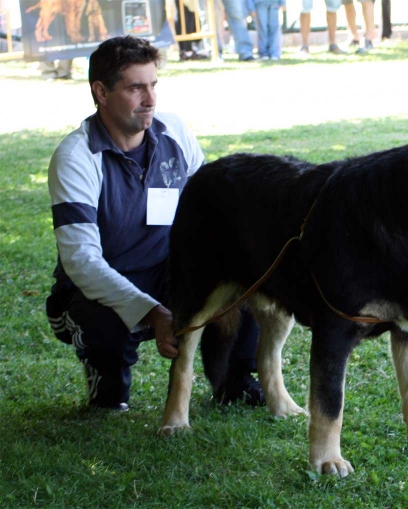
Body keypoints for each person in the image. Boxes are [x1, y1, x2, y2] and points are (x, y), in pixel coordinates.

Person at [45, 35, 263, 411]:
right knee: (103, 327)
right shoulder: (75, 157)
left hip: (171, 272)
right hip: (95, 289)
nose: (150, 99)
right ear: (101, 91)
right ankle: (107, 384)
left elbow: (214, 211)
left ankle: (235, 379)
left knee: (240, 279)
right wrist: (154, 313)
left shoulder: (174, 131)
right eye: (135, 88)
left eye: (153, 85)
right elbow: (82, 262)